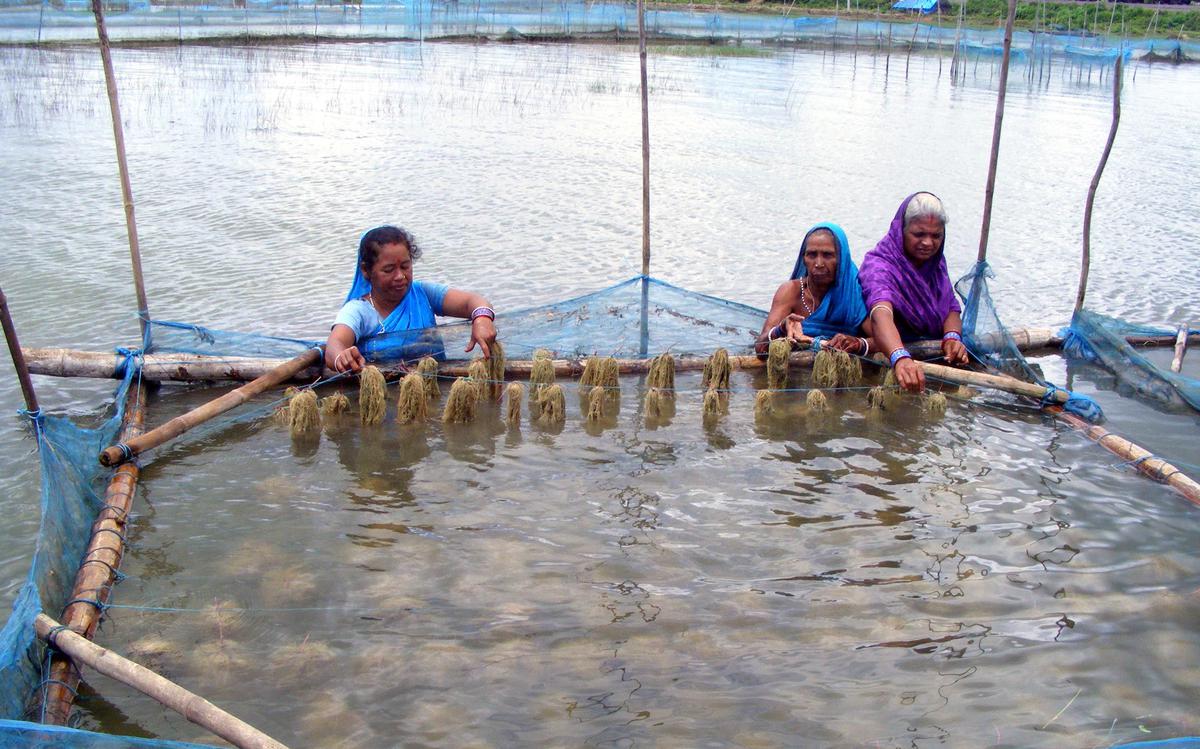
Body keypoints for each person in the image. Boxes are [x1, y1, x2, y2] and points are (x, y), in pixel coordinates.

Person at [324, 225, 497, 373]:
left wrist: (482, 319)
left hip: (432, 386)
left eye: (405, 266)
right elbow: (335, 343)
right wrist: (342, 356)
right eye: (389, 269)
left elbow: (472, 302)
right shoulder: (358, 310)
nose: (400, 276)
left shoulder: (422, 294)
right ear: (366, 271)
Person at [858, 192, 969, 393]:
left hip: (926, 346)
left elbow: (950, 306)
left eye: (936, 236)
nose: (928, 243)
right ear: (902, 230)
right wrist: (900, 357)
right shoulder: (879, 265)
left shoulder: (935, 263)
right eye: (919, 234)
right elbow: (881, 313)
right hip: (890, 344)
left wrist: (952, 338)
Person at [755, 222, 873, 357]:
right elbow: (760, 348)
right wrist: (780, 330)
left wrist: (858, 344)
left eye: (828, 255)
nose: (818, 264)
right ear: (803, 259)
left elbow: (882, 341)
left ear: (842, 259)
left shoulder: (855, 293)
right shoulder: (791, 291)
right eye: (811, 255)